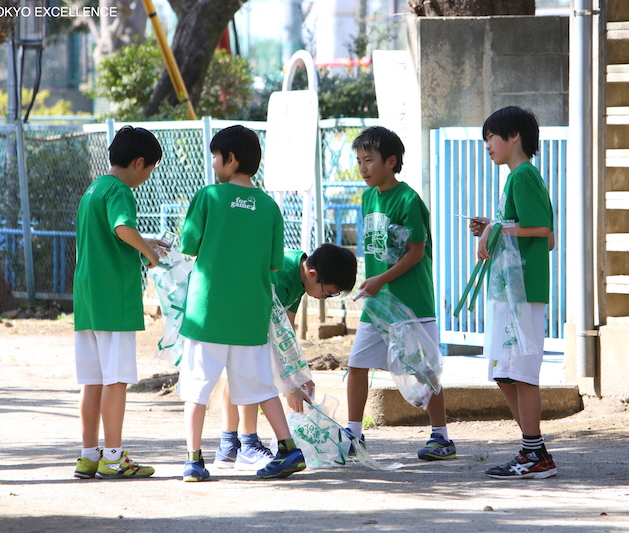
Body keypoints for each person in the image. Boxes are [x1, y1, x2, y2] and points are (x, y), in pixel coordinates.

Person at [177, 125, 305, 481]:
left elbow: (188, 245)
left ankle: (194, 460)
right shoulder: (270, 207)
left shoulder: (208, 197)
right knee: (262, 386)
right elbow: (274, 264)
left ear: (230, 159)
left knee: (197, 389)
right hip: (251, 314)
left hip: (208, 314)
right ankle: (288, 449)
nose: (213, 163)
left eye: (215, 156)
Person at [344, 126, 457, 461]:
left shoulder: (408, 200)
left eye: (369, 160)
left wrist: (381, 279)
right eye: (359, 161)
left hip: (412, 302)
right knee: (357, 364)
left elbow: (416, 252)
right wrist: (374, 283)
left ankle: (441, 437)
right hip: (378, 303)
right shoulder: (368, 198)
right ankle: (353, 435)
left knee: (425, 371)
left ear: (391, 161)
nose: (363, 168)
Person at [468, 106, 557, 480]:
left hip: (522, 292)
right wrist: (494, 225)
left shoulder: (522, 176)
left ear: (514, 136)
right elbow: (535, 230)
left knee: (520, 373)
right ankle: (534, 450)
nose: (488, 145)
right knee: (505, 374)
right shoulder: (519, 177)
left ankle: (533, 453)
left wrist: (496, 228)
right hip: (511, 291)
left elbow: (543, 232)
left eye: (491, 137)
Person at [72, 125, 166, 479]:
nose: (148, 176)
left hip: (88, 300)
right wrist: (150, 254)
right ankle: (113, 458)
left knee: (92, 381)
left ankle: (88, 456)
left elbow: (109, 236)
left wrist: (145, 242)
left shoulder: (94, 189)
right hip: (114, 300)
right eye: (150, 169)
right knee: (116, 380)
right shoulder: (121, 190)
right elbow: (122, 228)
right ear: (139, 162)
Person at [213, 243, 358, 470]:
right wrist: (289, 386)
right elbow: (271, 337)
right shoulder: (282, 276)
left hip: (245, 320)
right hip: (239, 318)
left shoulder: (301, 277)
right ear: (313, 274)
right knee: (251, 374)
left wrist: (300, 376)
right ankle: (247, 445)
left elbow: (285, 332)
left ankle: (228, 447)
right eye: (327, 293)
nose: (325, 298)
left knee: (239, 375)